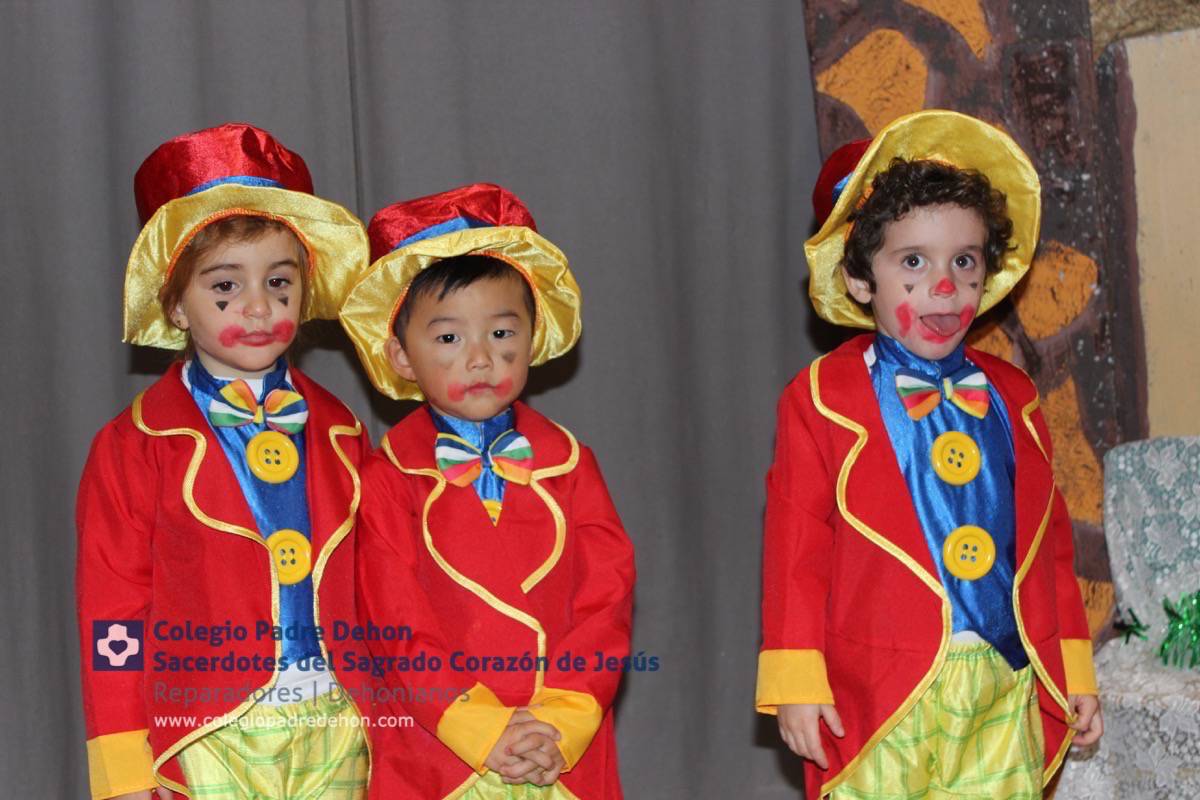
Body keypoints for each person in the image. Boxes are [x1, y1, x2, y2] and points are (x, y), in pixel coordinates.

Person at [756, 110, 1102, 799]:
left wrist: (1075, 671)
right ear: (861, 280)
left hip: (1004, 681)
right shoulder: (822, 396)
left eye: (963, 262)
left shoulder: (1014, 395)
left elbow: (1050, 546)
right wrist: (796, 679)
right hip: (880, 688)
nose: (944, 287)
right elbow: (796, 546)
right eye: (913, 262)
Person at [76, 123, 372, 799]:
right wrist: (123, 765)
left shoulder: (346, 431)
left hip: (341, 727)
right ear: (176, 303)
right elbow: (112, 616)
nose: (259, 306)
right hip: (201, 735)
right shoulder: (130, 446)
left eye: (279, 281)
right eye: (224, 287)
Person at [339, 182, 635, 799]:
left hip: (561, 753)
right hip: (441, 754)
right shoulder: (384, 477)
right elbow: (394, 621)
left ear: (534, 335)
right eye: (448, 338)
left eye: (502, 333)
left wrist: (562, 719)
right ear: (399, 354)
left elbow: (606, 601)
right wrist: (480, 729)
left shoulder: (573, 463)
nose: (480, 358)